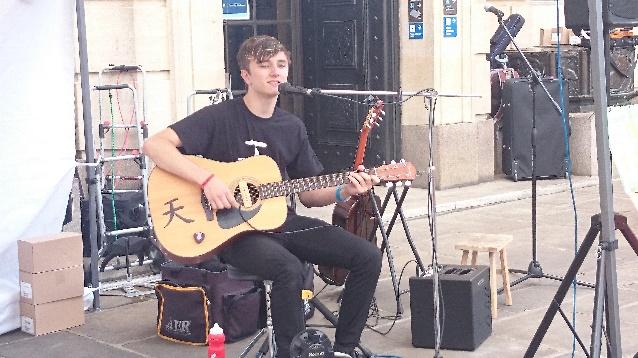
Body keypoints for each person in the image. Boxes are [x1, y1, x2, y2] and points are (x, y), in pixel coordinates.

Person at [143, 35, 382, 357]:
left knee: (367, 257)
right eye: (264, 65)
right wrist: (208, 180)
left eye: (281, 65)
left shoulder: (291, 127)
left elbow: (310, 194)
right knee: (288, 269)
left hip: (279, 221)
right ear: (245, 74)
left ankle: (343, 349)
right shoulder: (220, 117)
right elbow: (154, 145)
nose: (275, 72)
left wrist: (344, 190)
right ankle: (291, 353)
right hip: (232, 234)